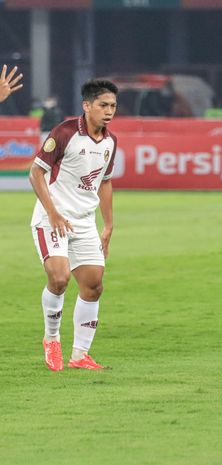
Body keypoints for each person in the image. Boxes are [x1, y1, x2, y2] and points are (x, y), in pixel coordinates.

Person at [28, 79, 119, 372]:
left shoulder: (110, 141)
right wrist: (52, 212)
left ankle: (80, 355)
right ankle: (51, 339)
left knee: (93, 286)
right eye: (103, 105)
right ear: (87, 106)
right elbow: (35, 174)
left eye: (113, 106)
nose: (108, 111)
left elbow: (105, 182)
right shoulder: (65, 132)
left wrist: (108, 224)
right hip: (52, 218)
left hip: (84, 222)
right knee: (59, 278)